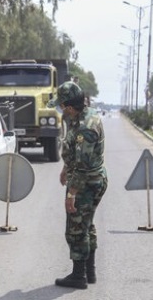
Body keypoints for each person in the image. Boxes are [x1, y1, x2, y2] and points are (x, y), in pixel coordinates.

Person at [48, 81, 108, 289]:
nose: (61, 110)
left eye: (62, 106)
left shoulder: (86, 127)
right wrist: (66, 168)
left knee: (76, 228)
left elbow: (83, 165)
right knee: (86, 224)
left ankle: (78, 276)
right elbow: (73, 152)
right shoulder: (80, 115)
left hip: (86, 183)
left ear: (70, 107)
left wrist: (72, 193)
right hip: (87, 179)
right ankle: (89, 273)